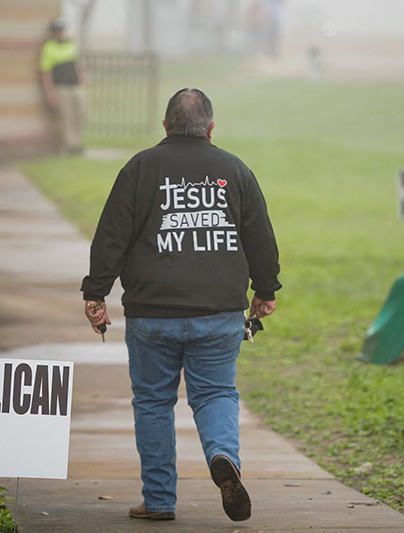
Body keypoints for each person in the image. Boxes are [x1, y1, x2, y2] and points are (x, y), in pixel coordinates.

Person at [81, 88, 281, 522]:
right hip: (220, 314)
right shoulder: (235, 170)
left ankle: (158, 501)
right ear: (210, 128)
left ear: (165, 126)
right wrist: (265, 291)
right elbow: (260, 238)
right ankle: (223, 456)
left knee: (154, 403)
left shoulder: (140, 168)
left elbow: (111, 235)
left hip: (153, 315)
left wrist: (96, 293)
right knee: (215, 394)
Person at [39, 19, 85, 155]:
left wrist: (82, 77)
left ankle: (78, 141)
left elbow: (77, 63)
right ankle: (70, 145)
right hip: (61, 87)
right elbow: (46, 72)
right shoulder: (49, 48)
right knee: (66, 116)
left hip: (75, 85)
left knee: (81, 113)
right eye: (57, 31)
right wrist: (49, 92)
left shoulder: (70, 44)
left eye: (61, 30)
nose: (60, 33)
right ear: (53, 33)